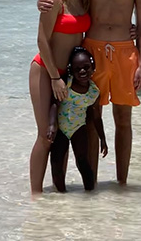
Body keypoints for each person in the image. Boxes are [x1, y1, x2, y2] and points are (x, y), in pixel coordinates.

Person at [38, 0, 141, 185]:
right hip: (92, 53)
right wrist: (42, 1)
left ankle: (122, 184)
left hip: (126, 52)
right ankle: (92, 186)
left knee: (123, 119)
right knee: (90, 118)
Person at [29, 0, 94, 196]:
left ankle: (59, 192)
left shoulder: (84, 0)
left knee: (63, 134)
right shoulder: (54, 0)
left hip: (68, 75)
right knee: (46, 134)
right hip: (45, 71)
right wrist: (55, 78)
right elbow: (42, 40)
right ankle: (35, 196)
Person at [47, 46, 108, 192]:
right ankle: (61, 194)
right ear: (71, 71)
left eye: (86, 67)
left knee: (83, 162)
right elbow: (55, 104)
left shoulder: (94, 92)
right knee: (56, 162)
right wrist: (51, 125)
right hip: (61, 129)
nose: (82, 71)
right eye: (77, 68)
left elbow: (96, 117)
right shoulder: (66, 84)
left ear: (93, 67)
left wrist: (103, 139)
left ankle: (90, 194)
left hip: (79, 129)